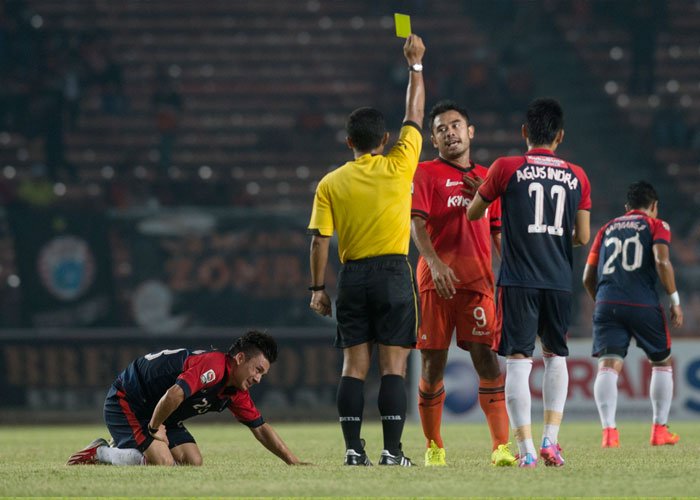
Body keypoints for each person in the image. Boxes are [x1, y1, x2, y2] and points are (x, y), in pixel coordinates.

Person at [307, 34, 425, 467]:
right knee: (393, 367)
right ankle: (392, 452)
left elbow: (320, 239)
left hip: (352, 276)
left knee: (353, 367)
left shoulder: (330, 182)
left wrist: (318, 288)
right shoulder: (400, 164)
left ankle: (354, 452)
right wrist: (415, 65)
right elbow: (415, 111)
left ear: (348, 143)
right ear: (386, 138)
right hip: (394, 273)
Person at [465, 97, 591, 468]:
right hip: (557, 280)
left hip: (517, 280)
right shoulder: (578, 175)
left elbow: (475, 213)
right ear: (560, 136)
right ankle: (552, 441)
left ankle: (527, 451)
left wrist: (484, 191)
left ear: (525, 132)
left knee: (518, 361)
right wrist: (550, 239)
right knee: (556, 356)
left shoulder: (505, 167)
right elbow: (581, 236)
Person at [410, 100, 514, 467]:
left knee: (487, 360)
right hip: (435, 282)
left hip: (477, 282)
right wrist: (434, 263)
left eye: (456, 125)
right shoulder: (425, 173)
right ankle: (434, 445)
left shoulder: (490, 179)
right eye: (441, 128)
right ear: (434, 139)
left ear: (470, 132)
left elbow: (499, 234)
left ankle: (501, 447)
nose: (449, 132)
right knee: (431, 365)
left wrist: (515, 274)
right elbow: (417, 224)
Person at [66, 331, 306, 466]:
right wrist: (154, 427)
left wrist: (293, 462)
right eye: (258, 369)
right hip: (128, 400)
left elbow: (261, 428)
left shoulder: (235, 390)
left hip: (160, 411)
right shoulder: (214, 366)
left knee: (193, 461)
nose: (258, 379)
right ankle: (100, 452)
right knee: (163, 464)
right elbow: (175, 393)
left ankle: (127, 445)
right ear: (240, 358)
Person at [582, 181, 683, 448]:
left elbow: (587, 277)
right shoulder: (656, 225)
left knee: (607, 366)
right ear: (654, 207)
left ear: (627, 208)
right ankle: (659, 431)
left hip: (607, 302)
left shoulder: (605, 228)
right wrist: (675, 301)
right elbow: (662, 261)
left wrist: (602, 302)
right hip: (642, 303)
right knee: (661, 363)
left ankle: (609, 434)